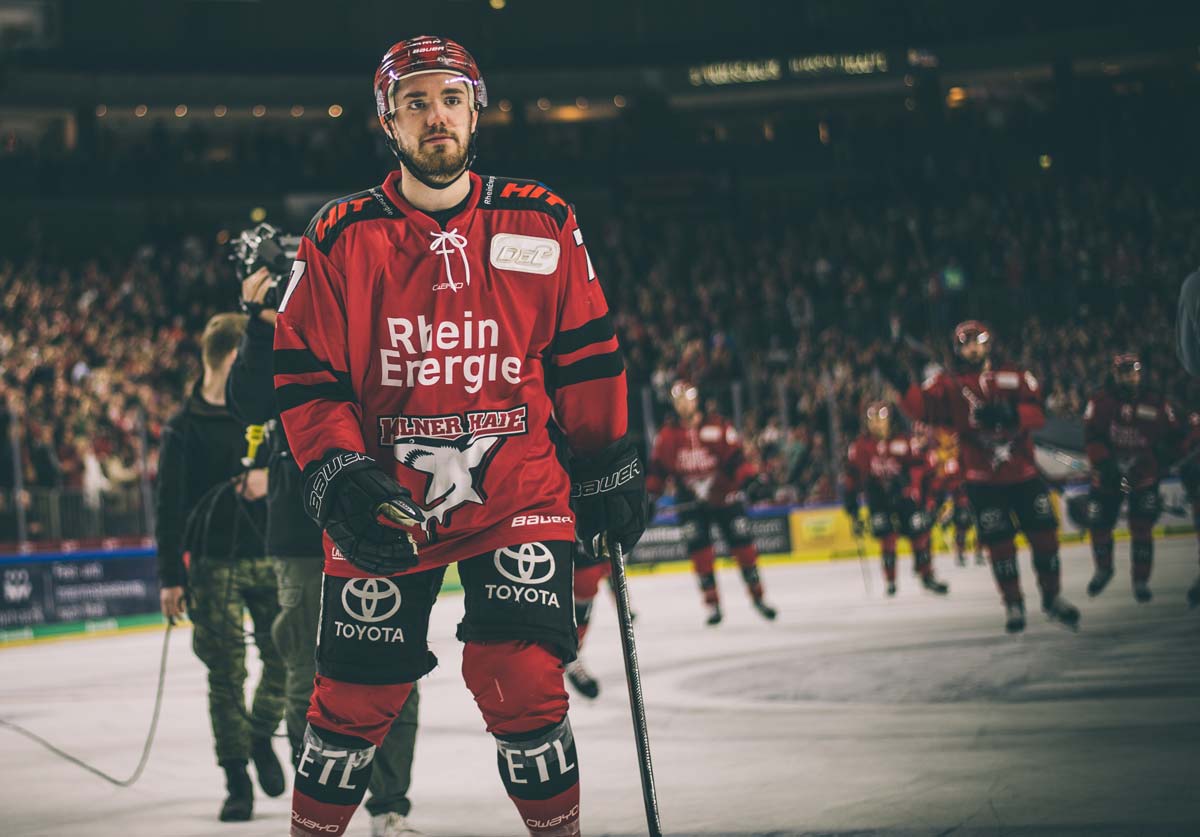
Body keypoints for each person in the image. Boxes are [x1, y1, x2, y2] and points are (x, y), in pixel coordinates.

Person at [273, 36, 646, 837]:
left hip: (518, 492)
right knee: (353, 698)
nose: (434, 116)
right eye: (414, 103)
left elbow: (587, 355)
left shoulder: (543, 220)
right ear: (388, 121)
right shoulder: (338, 235)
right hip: (386, 505)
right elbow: (308, 379)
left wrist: (608, 464)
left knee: (520, 678)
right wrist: (336, 473)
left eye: (449, 98)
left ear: (477, 108)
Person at [227, 266, 423, 837]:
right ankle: (316, 803)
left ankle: (389, 805)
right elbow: (248, 403)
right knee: (305, 671)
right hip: (300, 527)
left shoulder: (373, 303)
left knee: (394, 663)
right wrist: (261, 326)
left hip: (382, 510)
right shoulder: (284, 324)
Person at [155, 312, 287, 822]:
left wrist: (268, 482)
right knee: (226, 674)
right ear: (234, 358)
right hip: (213, 566)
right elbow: (167, 507)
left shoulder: (263, 414)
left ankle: (258, 736)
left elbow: (299, 471)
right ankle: (236, 777)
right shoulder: (182, 428)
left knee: (283, 660)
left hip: (270, 555)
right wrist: (171, 576)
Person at [898, 320, 1079, 634]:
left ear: (988, 343)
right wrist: (902, 385)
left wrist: (1013, 414)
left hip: (1023, 474)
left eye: (977, 340)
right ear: (958, 349)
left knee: (1045, 538)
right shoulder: (949, 384)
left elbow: (1037, 414)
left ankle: (1052, 596)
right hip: (983, 482)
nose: (972, 347)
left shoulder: (1014, 375)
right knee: (999, 546)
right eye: (965, 343)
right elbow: (922, 409)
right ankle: (1012, 602)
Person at [646, 379, 777, 625]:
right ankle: (713, 603)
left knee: (744, 548)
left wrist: (749, 482)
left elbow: (736, 459)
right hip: (691, 502)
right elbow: (657, 471)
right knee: (700, 553)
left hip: (725, 498)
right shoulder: (667, 436)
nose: (684, 404)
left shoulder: (717, 426)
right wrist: (650, 496)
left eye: (689, 397)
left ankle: (758, 596)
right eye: (679, 400)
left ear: (698, 399)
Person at [1081, 353, 1181, 603]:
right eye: (1124, 373)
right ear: (1116, 375)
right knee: (1099, 525)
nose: (1129, 377)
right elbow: (1091, 435)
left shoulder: (1156, 402)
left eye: (1133, 372)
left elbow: (1175, 436)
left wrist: (1165, 457)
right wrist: (1103, 462)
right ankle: (1104, 568)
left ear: (1140, 374)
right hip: (1108, 475)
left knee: (1142, 529)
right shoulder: (1101, 401)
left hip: (1143, 476)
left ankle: (1141, 579)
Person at [843, 402, 949, 597]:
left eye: (880, 419)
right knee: (887, 538)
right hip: (877, 498)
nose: (876, 425)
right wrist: (851, 505)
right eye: (872, 420)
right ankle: (890, 580)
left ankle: (927, 574)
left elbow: (927, 469)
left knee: (919, 535)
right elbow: (851, 476)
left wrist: (933, 496)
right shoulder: (860, 446)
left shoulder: (906, 442)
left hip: (904, 496)